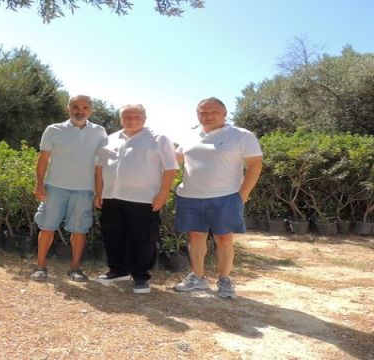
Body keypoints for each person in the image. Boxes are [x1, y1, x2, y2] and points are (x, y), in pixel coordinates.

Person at [173, 97, 263, 299]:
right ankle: (198, 277)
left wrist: (242, 195)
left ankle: (224, 280)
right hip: (190, 196)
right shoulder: (189, 136)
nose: (208, 116)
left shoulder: (241, 135)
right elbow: (174, 160)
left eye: (213, 112)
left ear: (224, 114)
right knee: (195, 237)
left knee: (224, 239)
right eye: (203, 113)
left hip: (226, 197)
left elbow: (255, 165)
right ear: (197, 115)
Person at [94, 104, 178, 294]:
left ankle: (140, 277)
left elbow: (170, 168)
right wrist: (99, 193)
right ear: (120, 118)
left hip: (144, 199)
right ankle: (118, 270)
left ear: (145, 118)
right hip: (111, 197)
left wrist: (163, 195)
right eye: (126, 116)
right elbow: (99, 168)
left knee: (143, 238)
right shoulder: (109, 139)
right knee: (112, 235)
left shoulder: (158, 139)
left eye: (136, 116)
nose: (131, 119)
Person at [31, 95, 108, 281]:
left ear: (91, 110)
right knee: (47, 227)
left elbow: (101, 166)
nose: (79, 111)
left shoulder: (100, 132)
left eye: (84, 107)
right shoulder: (53, 130)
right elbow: (42, 161)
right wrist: (39, 184)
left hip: (84, 190)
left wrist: (100, 192)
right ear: (68, 108)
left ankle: (75, 269)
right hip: (54, 187)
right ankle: (41, 267)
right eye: (75, 107)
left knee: (79, 231)